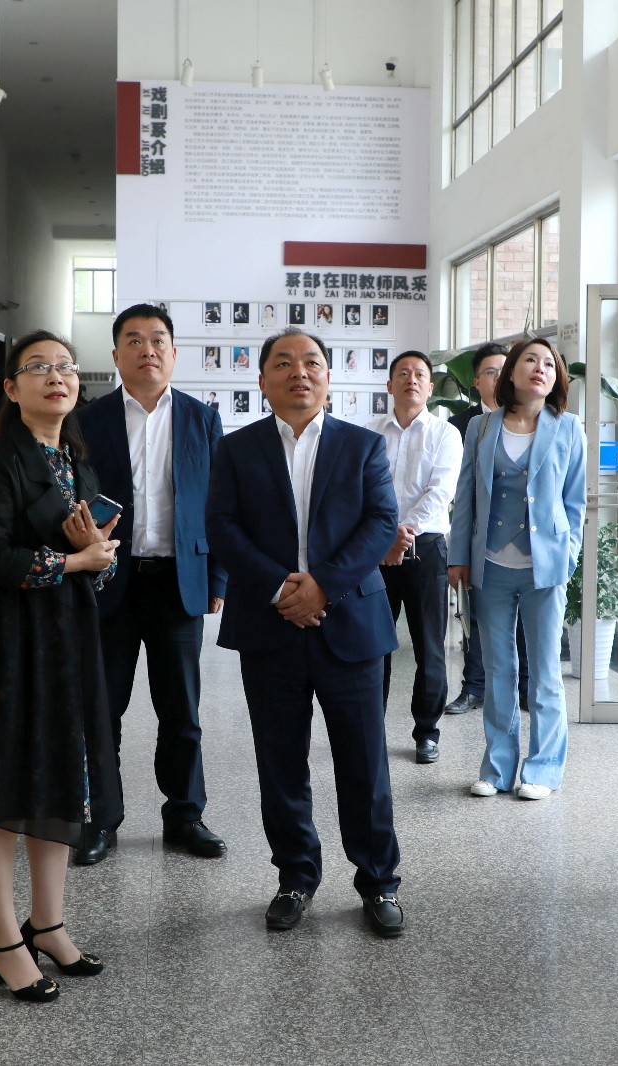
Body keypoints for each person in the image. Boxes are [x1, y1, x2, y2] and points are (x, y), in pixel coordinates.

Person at [207, 327, 406, 938]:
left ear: (328, 377)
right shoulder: (236, 449)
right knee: (281, 761)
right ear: (262, 379)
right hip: (269, 628)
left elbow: (381, 523)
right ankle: (294, 877)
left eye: (312, 362)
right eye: (284, 363)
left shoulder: (362, 446)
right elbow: (221, 527)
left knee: (364, 762)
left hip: (351, 625)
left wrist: (322, 586)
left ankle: (378, 881)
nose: (300, 372)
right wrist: (280, 590)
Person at [0, 331, 123, 1003]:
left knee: (60, 783)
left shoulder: (78, 462)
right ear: (11, 387)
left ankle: (46, 925)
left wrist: (96, 558)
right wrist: (75, 560)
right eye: (39, 367)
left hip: (66, 642)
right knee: (2, 793)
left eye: (66, 367)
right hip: (6, 645)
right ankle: (3, 942)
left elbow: (93, 565)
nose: (57, 377)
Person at [71, 305, 229, 865]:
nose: (148, 350)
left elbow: (219, 505)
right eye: (134, 341)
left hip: (177, 583)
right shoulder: (87, 421)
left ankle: (186, 815)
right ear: (116, 355)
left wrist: (217, 576)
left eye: (158, 339)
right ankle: (100, 818)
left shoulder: (201, 419)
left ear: (174, 353)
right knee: (103, 708)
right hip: (108, 583)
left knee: (181, 710)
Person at [448, 337, 585, 801]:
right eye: (530, 360)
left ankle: (543, 770)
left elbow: (575, 502)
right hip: (490, 565)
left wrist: (568, 556)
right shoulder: (482, 427)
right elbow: (465, 496)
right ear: (511, 372)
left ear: (556, 377)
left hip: (544, 567)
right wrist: (458, 557)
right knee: (498, 668)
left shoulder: (569, 428)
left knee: (544, 672)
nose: (540, 368)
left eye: (549, 363)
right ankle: (497, 768)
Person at [368, 352, 461, 764]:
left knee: (429, 646)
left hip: (425, 549)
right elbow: (364, 490)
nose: (411, 379)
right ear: (390, 385)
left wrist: (401, 535)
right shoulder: (370, 433)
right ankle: (370, 728)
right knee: (373, 643)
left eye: (420, 374)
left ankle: (427, 732)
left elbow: (441, 492)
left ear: (429, 387)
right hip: (375, 551)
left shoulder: (445, 434)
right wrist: (386, 536)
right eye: (403, 373)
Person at [446, 342, 512, 716]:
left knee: (524, 619)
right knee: (474, 615)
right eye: (491, 372)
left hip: (521, 537)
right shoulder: (459, 426)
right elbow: (456, 490)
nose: (499, 378)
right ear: (476, 381)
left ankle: (523, 687)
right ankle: (473, 688)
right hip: (476, 534)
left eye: (505, 371)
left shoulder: (530, 418)